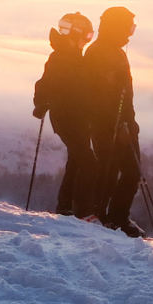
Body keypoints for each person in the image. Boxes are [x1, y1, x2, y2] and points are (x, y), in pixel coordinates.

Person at [84, 5, 144, 236]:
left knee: (127, 171)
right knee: (113, 171)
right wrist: (117, 125)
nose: (130, 33)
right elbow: (97, 95)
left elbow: (123, 95)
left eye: (133, 28)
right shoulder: (99, 52)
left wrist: (130, 122)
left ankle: (116, 217)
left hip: (123, 124)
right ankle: (106, 217)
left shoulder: (114, 51)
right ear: (115, 27)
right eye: (128, 27)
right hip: (108, 126)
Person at [32, 12, 97, 218]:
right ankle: (82, 211)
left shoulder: (73, 56)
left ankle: (66, 207)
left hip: (78, 117)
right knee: (88, 162)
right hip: (66, 117)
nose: (87, 41)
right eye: (87, 36)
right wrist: (41, 103)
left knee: (77, 161)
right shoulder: (61, 57)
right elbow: (45, 83)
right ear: (76, 34)